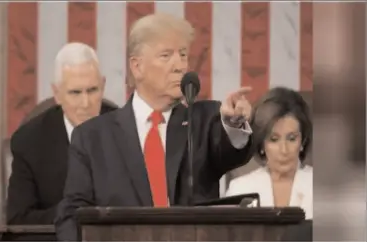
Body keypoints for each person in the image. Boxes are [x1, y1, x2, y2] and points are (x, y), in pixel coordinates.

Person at [55, 13, 255, 241]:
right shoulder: (92, 137)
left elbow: (231, 152)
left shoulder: (204, 120)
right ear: (137, 66)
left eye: (183, 55)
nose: (179, 66)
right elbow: (71, 214)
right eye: (166, 55)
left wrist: (233, 123)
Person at [7, 42, 118, 227]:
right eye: (75, 93)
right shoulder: (28, 142)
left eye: (92, 90)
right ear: (57, 94)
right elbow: (19, 221)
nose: (85, 103)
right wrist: (72, 213)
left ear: (103, 85)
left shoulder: (125, 131)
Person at [226, 87, 313, 219]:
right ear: (262, 144)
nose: (284, 150)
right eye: (274, 139)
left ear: (303, 141)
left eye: (292, 138)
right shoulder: (240, 190)